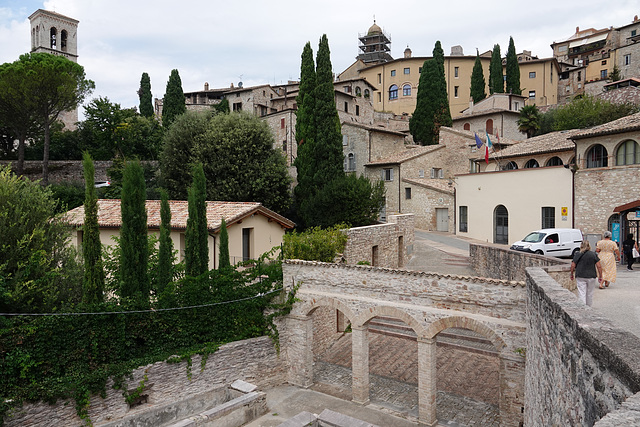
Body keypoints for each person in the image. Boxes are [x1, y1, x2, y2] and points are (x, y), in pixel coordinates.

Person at [570, 240, 603, 306]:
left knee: (581, 292)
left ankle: (583, 307)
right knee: (590, 293)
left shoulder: (578, 254)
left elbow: (573, 265)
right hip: (591, 275)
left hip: (580, 275)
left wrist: (571, 274)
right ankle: (589, 307)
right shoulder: (593, 254)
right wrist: (600, 276)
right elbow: (599, 266)